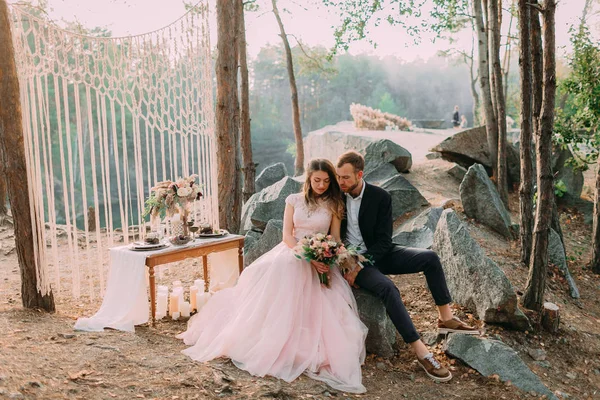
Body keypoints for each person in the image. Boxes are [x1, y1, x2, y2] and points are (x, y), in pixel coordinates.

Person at [178, 159, 368, 394]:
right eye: (317, 180)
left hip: (322, 259)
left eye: (327, 181)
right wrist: (308, 255)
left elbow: (336, 238)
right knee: (272, 283)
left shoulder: (333, 203)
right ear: (308, 179)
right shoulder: (294, 200)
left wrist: (328, 257)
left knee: (325, 306)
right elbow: (287, 235)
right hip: (293, 253)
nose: (321, 185)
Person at [335, 151, 479, 383]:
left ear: (359, 175)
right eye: (338, 177)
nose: (340, 182)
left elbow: (384, 241)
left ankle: (446, 318)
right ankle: (422, 352)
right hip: (352, 260)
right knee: (389, 289)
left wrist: (364, 261)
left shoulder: (381, 197)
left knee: (430, 258)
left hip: (378, 254)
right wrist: (351, 264)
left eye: (345, 178)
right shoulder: (337, 196)